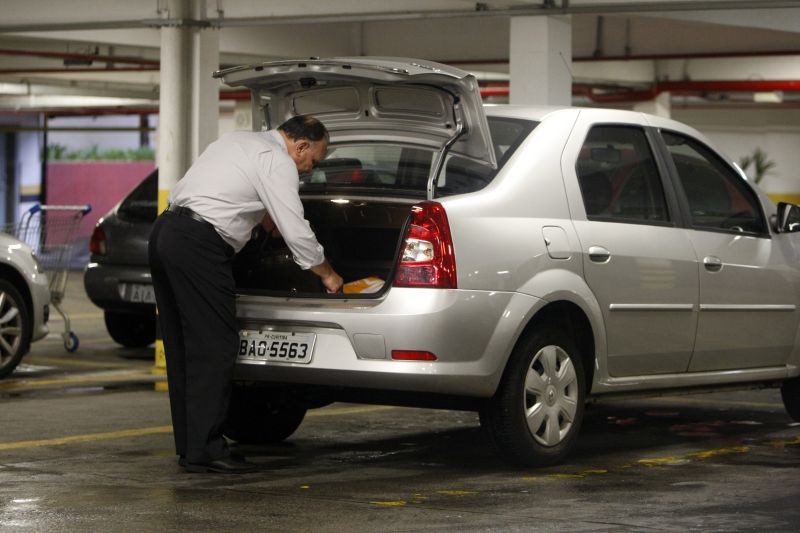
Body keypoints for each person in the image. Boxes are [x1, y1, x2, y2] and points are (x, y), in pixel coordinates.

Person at [148, 115, 343, 474]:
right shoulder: (278, 161)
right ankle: (206, 449)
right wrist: (328, 274)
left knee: (182, 347)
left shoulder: (237, 141)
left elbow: (229, 193)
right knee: (216, 346)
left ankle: (192, 447)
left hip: (166, 232)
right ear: (300, 146)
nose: (308, 170)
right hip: (198, 246)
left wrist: (260, 218)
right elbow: (296, 230)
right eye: (313, 161)